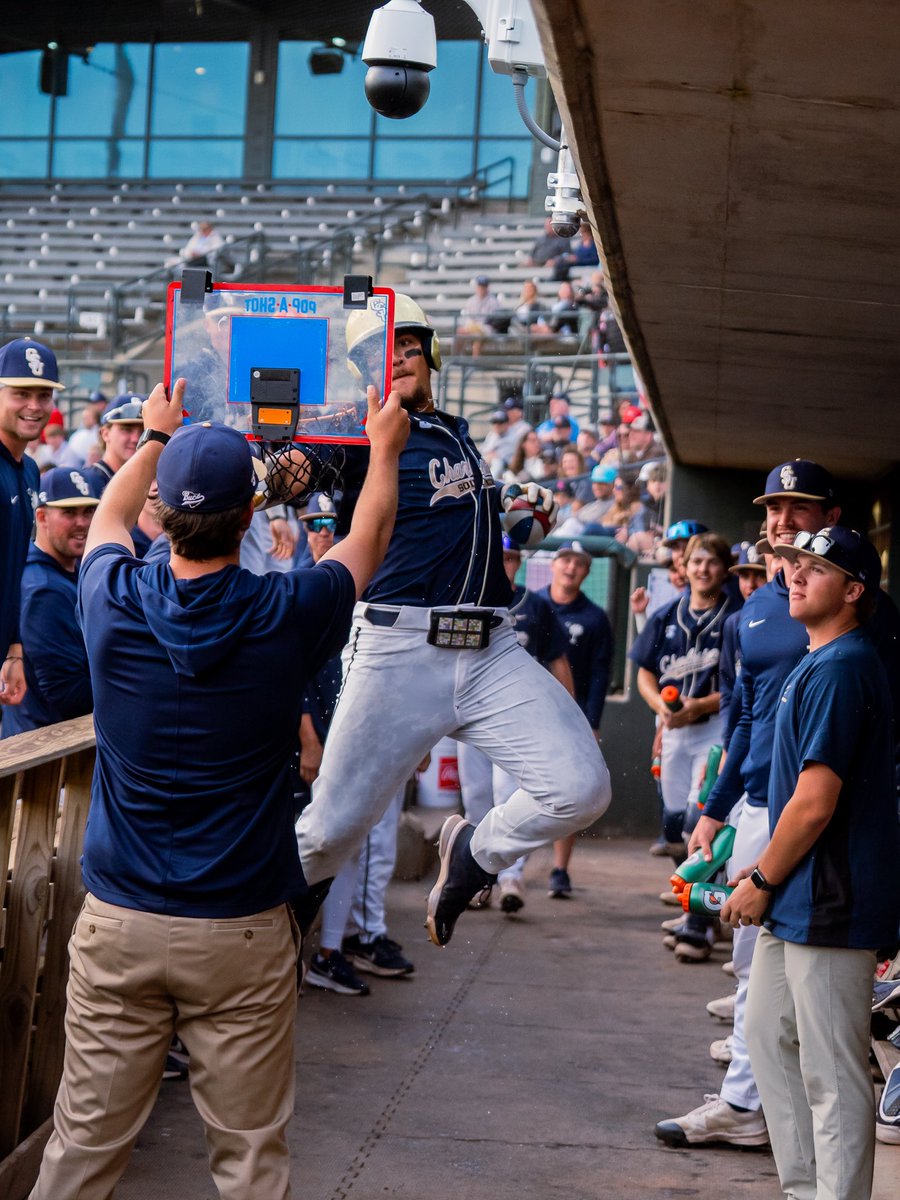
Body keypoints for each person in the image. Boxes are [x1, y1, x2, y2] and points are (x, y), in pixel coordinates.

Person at [28, 377, 410, 1200]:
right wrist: (383, 450)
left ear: (162, 515)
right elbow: (369, 536)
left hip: (121, 919)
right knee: (248, 1160)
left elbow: (105, 521)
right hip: (237, 926)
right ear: (249, 518)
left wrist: (153, 439)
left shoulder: (109, 598)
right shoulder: (288, 608)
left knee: (82, 1151)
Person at [287, 294, 611, 950]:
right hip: (399, 650)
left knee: (581, 787)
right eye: (379, 351)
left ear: (429, 352)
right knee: (328, 832)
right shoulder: (356, 426)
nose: (397, 356)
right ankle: (249, 938)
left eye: (408, 343)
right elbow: (292, 474)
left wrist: (506, 506)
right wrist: (271, 457)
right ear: (362, 368)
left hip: (491, 649)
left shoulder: (460, 433)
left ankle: (474, 855)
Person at [659, 459, 900, 1149]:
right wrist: (716, 805)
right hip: (762, 805)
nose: (782, 522)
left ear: (833, 520)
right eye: (774, 509)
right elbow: (743, 715)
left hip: (827, 822)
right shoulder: (763, 605)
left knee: (821, 1029)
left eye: (799, 508)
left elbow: (879, 737)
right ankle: (748, 1107)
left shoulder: (866, 620)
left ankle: (752, 1111)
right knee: (753, 984)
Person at [725, 527, 900, 1200]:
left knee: (831, 1073)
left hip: (834, 899)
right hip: (797, 893)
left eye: (817, 570)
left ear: (853, 592)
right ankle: (806, 1192)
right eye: (796, 564)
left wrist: (762, 876)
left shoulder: (844, 664)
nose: (795, 575)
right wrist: (768, 876)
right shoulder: (817, 657)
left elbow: (815, 803)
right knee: (769, 1043)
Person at [457, 535, 576, 913]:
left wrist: (569, 718)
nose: (505, 562)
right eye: (499, 554)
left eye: (511, 556)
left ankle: (511, 877)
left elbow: (558, 662)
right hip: (470, 715)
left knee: (509, 794)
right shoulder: (467, 595)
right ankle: (478, 877)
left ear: (519, 561)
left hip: (519, 717)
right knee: (475, 796)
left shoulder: (534, 603)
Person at [630, 532, 735, 960]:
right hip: (674, 730)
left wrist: (698, 705)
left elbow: (737, 686)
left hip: (713, 730)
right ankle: (697, 902)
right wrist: (664, 709)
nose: (703, 569)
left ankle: (699, 924)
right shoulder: (666, 614)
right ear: (685, 567)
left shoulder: (736, 616)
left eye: (711, 562)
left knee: (698, 822)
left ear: (724, 568)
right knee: (674, 827)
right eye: (696, 562)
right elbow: (643, 673)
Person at [538, 540, 614, 897]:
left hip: (573, 716)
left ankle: (560, 870)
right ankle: (504, 871)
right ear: (553, 564)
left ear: (587, 571)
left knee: (568, 790)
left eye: (579, 563)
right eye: (565, 560)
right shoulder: (532, 605)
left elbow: (601, 674)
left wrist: (593, 721)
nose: (570, 568)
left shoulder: (595, 617)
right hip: (525, 710)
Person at [1, 468, 98, 738]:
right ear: (41, 516)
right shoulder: (43, 588)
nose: (81, 522)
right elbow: (68, 695)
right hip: (45, 757)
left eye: (88, 511)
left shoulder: (64, 569)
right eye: (69, 513)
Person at [0, 338, 63, 714]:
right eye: (21, 393)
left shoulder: (28, 468)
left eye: (44, 395)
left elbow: (14, 568)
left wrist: (14, 649)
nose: (34, 406)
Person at [82, 395, 145, 496]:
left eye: (143, 431)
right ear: (105, 434)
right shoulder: (89, 483)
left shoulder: (151, 482)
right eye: (127, 430)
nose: (136, 439)